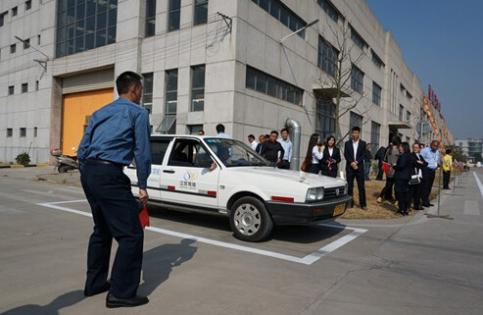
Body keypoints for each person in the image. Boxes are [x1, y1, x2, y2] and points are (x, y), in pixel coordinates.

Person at [77, 71, 151, 308]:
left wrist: (88, 173)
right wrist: (143, 184)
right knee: (131, 234)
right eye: (141, 89)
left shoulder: (100, 112)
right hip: (110, 173)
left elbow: (82, 148)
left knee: (102, 230)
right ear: (135, 89)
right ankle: (121, 292)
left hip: (90, 171)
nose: (141, 93)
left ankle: (95, 283)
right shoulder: (138, 112)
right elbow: (141, 151)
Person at [344, 127, 367, 209]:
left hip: (359, 167)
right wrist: (352, 163)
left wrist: (356, 162)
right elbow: (346, 154)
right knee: (350, 186)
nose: (355, 134)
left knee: (361, 186)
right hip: (350, 167)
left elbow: (364, 155)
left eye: (356, 133)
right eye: (353, 133)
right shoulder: (347, 143)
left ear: (359, 134)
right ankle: (350, 203)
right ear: (351, 133)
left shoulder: (363, 143)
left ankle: (363, 204)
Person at [377, 136, 401, 203]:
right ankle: (397, 200)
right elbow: (393, 161)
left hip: (388, 170)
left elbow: (386, 159)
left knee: (388, 185)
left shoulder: (389, 149)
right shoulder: (396, 149)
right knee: (396, 186)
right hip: (395, 170)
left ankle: (381, 197)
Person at [394, 142, 413, 216]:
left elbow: (401, 166)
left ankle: (401, 209)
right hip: (407, 177)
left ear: (404, 147)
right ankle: (405, 209)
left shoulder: (403, 156)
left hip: (400, 177)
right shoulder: (410, 155)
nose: (399, 148)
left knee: (399, 193)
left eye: (400, 147)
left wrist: (394, 166)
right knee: (405, 193)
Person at [420, 140, 441, 207]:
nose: (435, 147)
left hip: (433, 171)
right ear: (431, 144)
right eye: (434, 145)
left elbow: (436, 160)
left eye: (437, 146)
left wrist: (437, 165)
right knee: (425, 186)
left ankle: (427, 200)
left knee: (429, 186)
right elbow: (420, 159)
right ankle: (424, 201)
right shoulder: (425, 150)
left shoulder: (437, 152)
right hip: (426, 170)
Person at [410, 142, 427, 210]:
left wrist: (420, 163)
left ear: (419, 149)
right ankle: (410, 204)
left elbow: (425, 163)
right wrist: (420, 163)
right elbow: (414, 163)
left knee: (418, 190)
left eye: (417, 147)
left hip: (420, 174)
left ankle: (416, 205)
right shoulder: (411, 155)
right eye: (414, 147)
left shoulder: (420, 156)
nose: (415, 149)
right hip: (414, 174)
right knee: (413, 190)